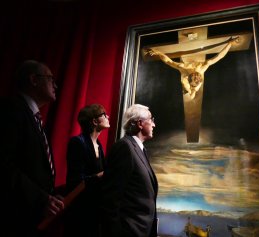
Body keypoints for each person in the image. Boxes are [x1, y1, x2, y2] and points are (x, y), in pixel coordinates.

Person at [0, 60, 64, 236]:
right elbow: (4, 165)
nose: (55, 86)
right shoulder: (11, 109)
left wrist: (49, 196)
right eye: (51, 79)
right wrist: (41, 200)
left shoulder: (33, 117)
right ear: (34, 80)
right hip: (13, 219)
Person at [99, 104, 158, 237]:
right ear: (140, 123)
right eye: (151, 119)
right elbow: (111, 198)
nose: (154, 124)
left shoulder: (140, 150)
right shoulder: (124, 147)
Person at [65, 103, 110, 237]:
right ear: (95, 121)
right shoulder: (77, 142)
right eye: (104, 115)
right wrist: (101, 175)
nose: (108, 116)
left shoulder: (99, 146)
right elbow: (75, 180)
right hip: (80, 210)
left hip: (94, 210)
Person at [146, 36, 239, 99]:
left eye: (195, 74)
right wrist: (229, 44)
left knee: (189, 91)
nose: (195, 71)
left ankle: (190, 92)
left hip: (191, 83)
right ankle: (191, 92)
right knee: (192, 93)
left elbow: (168, 61)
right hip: (193, 83)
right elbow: (169, 62)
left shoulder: (189, 70)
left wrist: (158, 53)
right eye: (196, 74)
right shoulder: (192, 68)